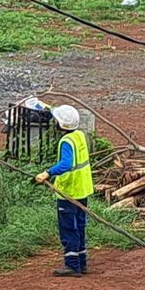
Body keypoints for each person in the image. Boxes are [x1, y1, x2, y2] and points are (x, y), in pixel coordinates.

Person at [36, 105, 93, 277]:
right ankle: (81, 263)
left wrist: (48, 173)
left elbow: (66, 164)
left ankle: (72, 265)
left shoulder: (66, 141)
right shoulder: (80, 135)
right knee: (80, 226)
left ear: (61, 124)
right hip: (82, 188)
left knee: (69, 228)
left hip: (69, 191)